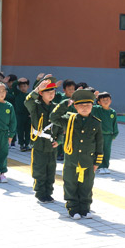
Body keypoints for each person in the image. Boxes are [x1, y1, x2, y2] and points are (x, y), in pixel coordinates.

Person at [50, 89, 104, 220]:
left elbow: (99, 144)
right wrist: (64, 103)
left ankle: (85, 209)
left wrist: (97, 162)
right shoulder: (70, 119)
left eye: (88, 105)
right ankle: (73, 208)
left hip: (88, 160)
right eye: (81, 105)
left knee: (86, 185)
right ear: (75, 106)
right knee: (71, 184)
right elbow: (53, 117)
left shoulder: (96, 122)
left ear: (92, 106)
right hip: (72, 160)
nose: (84, 108)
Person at [24, 78, 59, 203]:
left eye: (53, 91)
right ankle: (40, 192)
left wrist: (59, 140)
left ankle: (48, 192)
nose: (51, 94)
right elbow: (27, 101)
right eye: (47, 91)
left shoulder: (56, 107)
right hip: (39, 143)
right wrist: (36, 89)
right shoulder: (36, 106)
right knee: (39, 169)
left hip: (52, 144)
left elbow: (60, 126)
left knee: (51, 169)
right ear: (41, 93)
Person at [92, 91, 119, 175]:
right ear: (99, 102)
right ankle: (98, 166)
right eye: (103, 100)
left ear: (110, 101)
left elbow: (114, 124)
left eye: (107, 99)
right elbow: (90, 105)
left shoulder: (112, 112)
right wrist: (93, 97)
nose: (106, 101)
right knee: (99, 151)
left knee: (107, 151)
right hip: (98, 134)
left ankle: (105, 166)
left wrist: (114, 134)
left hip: (108, 136)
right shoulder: (97, 109)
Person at [13, 78, 31, 152]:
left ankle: (27, 144)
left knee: (28, 130)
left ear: (28, 87)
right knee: (20, 130)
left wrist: (31, 113)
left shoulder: (30, 95)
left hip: (28, 115)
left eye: (25, 86)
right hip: (19, 116)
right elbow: (14, 86)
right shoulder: (17, 93)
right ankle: (21, 144)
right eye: (21, 86)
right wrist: (18, 81)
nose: (23, 88)